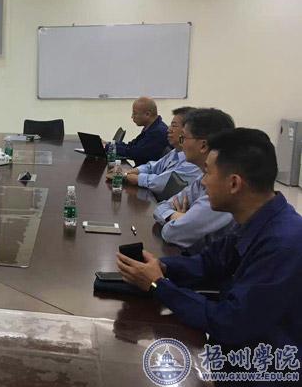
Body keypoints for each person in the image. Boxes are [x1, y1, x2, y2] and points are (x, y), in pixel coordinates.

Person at [117, 128, 302, 352]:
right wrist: (162, 266)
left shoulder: (283, 245)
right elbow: (208, 262)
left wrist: (158, 285)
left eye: (207, 173)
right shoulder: (254, 218)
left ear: (234, 184)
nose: (203, 183)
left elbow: (231, 322)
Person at [153, 108, 236, 250]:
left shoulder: (224, 188)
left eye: (183, 138)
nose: (182, 144)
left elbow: (172, 233)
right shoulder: (203, 177)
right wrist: (178, 217)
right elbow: (161, 207)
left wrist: (181, 219)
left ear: (203, 145)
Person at [115, 107, 202, 194]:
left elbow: (162, 183)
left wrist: (127, 176)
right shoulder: (176, 152)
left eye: (174, 126)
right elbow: (152, 167)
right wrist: (131, 172)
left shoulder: (193, 162)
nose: (168, 130)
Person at [108, 97, 169, 166]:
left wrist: (109, 147)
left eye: (135, 113)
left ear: (147, 114)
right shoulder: (151, 127)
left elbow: (134, 153)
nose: (132, 116)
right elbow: (132, 146)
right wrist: (109, 145)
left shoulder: (157, 132)